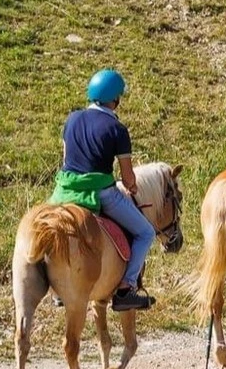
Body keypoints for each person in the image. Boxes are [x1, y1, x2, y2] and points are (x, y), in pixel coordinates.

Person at [50, 69, 155, 311]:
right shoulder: (117, 129)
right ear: (116, 99)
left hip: (64, 191)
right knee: (146, 233)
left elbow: (67, 158)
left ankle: (56, 289)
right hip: (101, 193)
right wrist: (132, 186)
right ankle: (126, 289)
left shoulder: (72, 118)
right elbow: (128, 177)